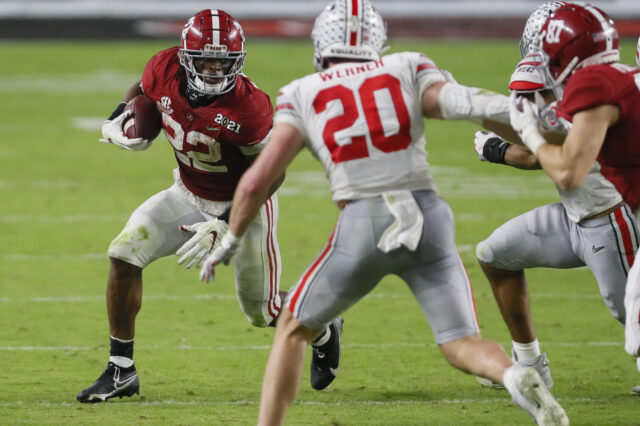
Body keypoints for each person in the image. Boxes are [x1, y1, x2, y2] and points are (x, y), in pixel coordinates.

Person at [197, 1, 570, 424]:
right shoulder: (406, 66)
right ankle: (510, 374)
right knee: (460, 343)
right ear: (377, 41)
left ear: (322, 42)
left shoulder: (303, 91)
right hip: (429, 216)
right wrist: (543, 135)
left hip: (364, 222)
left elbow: (254, 181)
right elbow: (475, 106)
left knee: (293, 330)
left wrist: (230, 238)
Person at [76, 9, 340, 403]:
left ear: (238, 62)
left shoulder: (249, 107)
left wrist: (225, 221)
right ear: (185, 58)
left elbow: (271, 174)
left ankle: (323, 326)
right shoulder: (163, 67)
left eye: (224, 61)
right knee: (123, 253)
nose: (215, 69)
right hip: (186, 192)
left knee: (261, 313)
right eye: (206, 60)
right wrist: (120, 116)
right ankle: (121, 370)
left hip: (244, 207)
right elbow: (144, 89)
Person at [473, 1, 638, 391]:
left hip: (608, 216)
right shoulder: (589, 79)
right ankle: (530, 364)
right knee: (495, 254)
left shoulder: (594, 86)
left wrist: (498, 148)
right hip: (573, 214)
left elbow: (551, 156)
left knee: (631, 316)